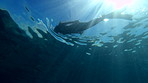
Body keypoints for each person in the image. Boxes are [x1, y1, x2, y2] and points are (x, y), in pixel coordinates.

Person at [54, 11, 133, 34]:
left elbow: (68, 24)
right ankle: (118, 15)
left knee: (99, 19)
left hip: (81, 25)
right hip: (82, 27)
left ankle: (116, 14)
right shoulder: (62, 32)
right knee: (99, 20)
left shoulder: (61, 26)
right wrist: (78, 32)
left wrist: (75, 22)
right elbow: (71, 31)